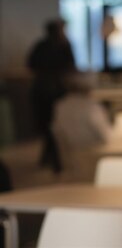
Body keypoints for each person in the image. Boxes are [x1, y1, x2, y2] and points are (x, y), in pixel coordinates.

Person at [27, 18, 76, 173]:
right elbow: (71, 67)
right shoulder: (61, 46)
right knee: (51, 127)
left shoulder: (44, 46)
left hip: (45, 91)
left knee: (49, 126)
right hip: (51, 92)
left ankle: (50, 159)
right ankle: (53, 160)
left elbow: (30, 64)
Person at [51, 72, 112, 181]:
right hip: (94, 158)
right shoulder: (92, 106)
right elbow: (106, 136)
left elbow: (56, 130)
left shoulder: (60, 105)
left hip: (69, 158)